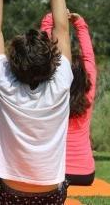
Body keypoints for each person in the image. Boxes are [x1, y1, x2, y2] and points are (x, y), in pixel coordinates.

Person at [0, 0, 72, 204]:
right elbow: (62, 29)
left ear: (13, 60)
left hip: (6, 195)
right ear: (51, 58)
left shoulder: (3, 82)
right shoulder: (62, 82)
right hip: (51, 197)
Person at [41, 11, 97, 186]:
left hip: (57, 173)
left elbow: (45, 52)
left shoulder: (54, 91)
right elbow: (89, 57)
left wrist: (51, 17)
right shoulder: (88, 93)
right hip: (86, 175)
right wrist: (79, 24)